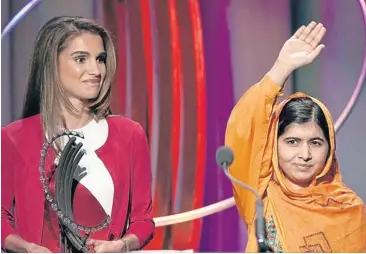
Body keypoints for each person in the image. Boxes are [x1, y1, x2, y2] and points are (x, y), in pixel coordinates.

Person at [1, 16, 154, 253]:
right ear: (52, 64)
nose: (95, 70)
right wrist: (26, 248)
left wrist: (121, 245)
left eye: (100, 59)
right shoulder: (13, 138)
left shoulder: (130, 135)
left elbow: (143, 221)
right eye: (81, 59)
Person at [225, 21, 366, 252]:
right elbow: (244, 128)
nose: (305, 155)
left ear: (330, 148)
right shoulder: (258, 194)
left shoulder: (349, 209)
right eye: (292, 142)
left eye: (316, 142)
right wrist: (280, 69)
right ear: (274, 145)